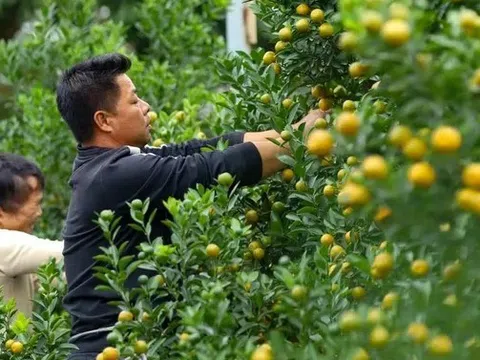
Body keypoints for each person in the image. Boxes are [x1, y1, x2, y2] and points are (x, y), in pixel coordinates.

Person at [56, 53, 322, 359]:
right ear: (104, 120)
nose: (146, 108)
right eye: (134, 101)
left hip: (134, 342)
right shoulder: (113, 175)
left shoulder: (111, 162)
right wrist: (301, 140)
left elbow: (199, 149)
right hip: (111, 349)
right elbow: (213, 167)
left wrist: (295, 131)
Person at [0, 153, 64, 317]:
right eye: (35, 204)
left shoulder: (17, 260)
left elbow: (60, 278)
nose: (39, 213)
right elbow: (71, 252)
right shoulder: (4, 246)